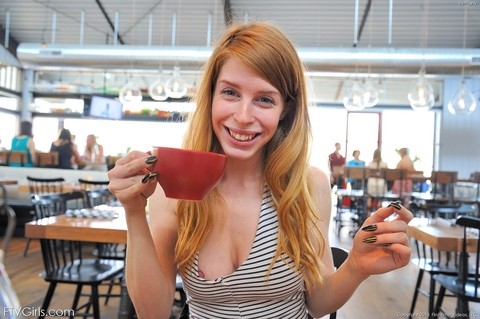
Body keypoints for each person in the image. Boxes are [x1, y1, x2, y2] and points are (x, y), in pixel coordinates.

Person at [108, 22, 413, 319]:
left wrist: (355, 266)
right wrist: (134, 211)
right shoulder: (175, 188)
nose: (242, 116)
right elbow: (153, 313)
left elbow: (318, 303)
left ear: (285, 111)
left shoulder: (308, 184)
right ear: (211, 97)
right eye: (230, 93)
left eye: (264, 99)